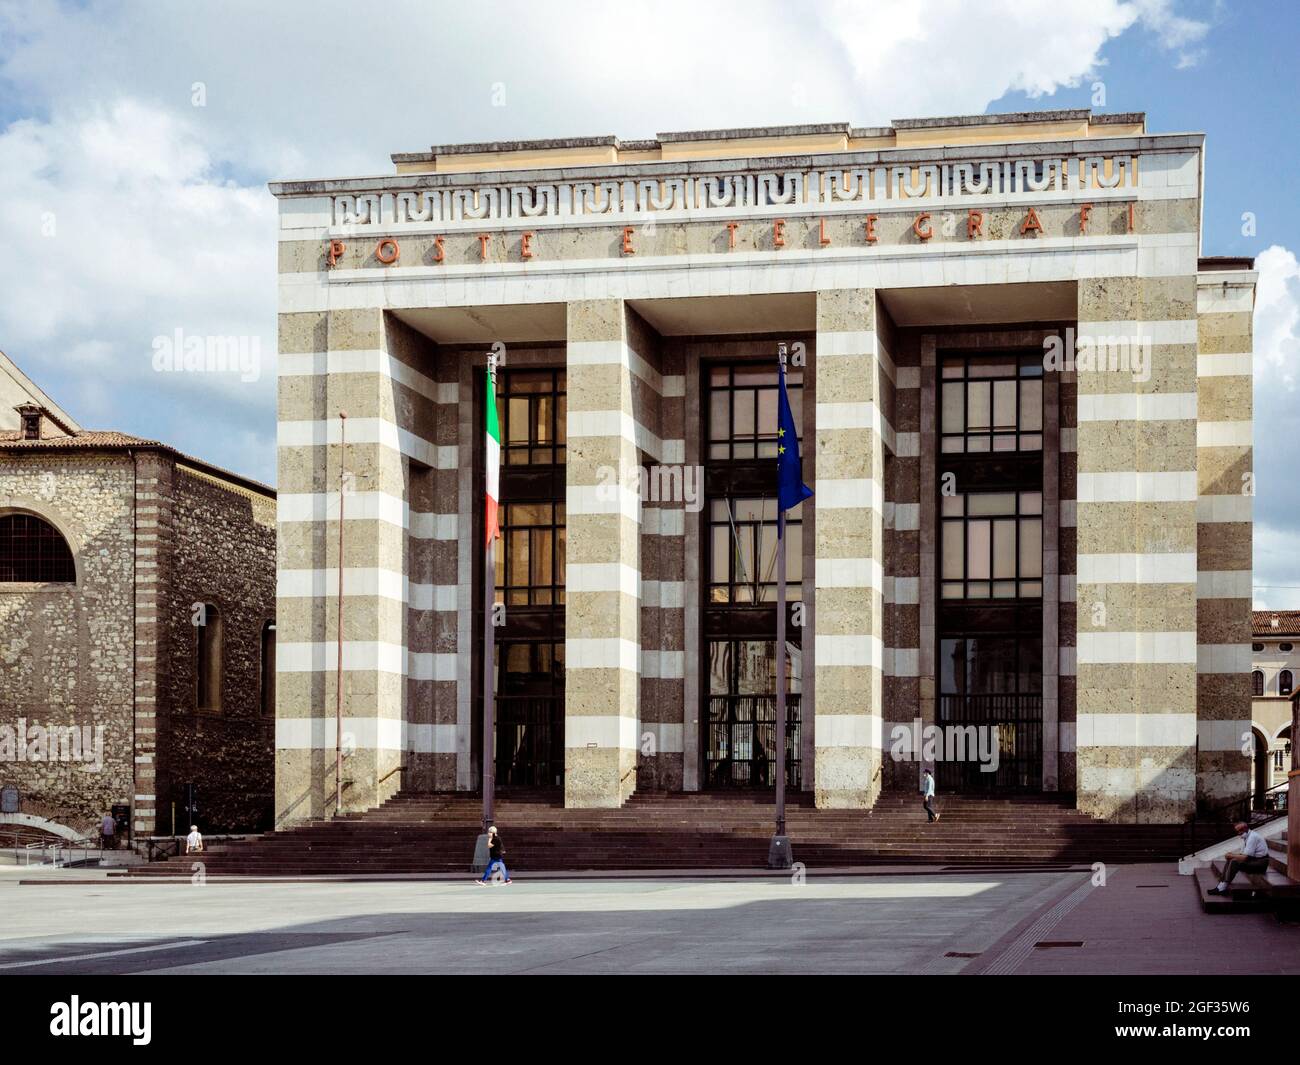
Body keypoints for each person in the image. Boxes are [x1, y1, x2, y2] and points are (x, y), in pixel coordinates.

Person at [1207, 821, 1269, 895]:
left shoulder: (1253, 837)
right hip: (1254, 860)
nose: (1238, 833)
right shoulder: (1247, 837)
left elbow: (1244, 857)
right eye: (1237, 831)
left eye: (1240, 830)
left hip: (1261, 864)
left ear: (1246, 829)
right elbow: (1242, 854)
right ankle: (1221, 884)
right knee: (1231, 859)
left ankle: (1222, 887)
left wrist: (1231, 855)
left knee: (1234, 862)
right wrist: (1231, 855)